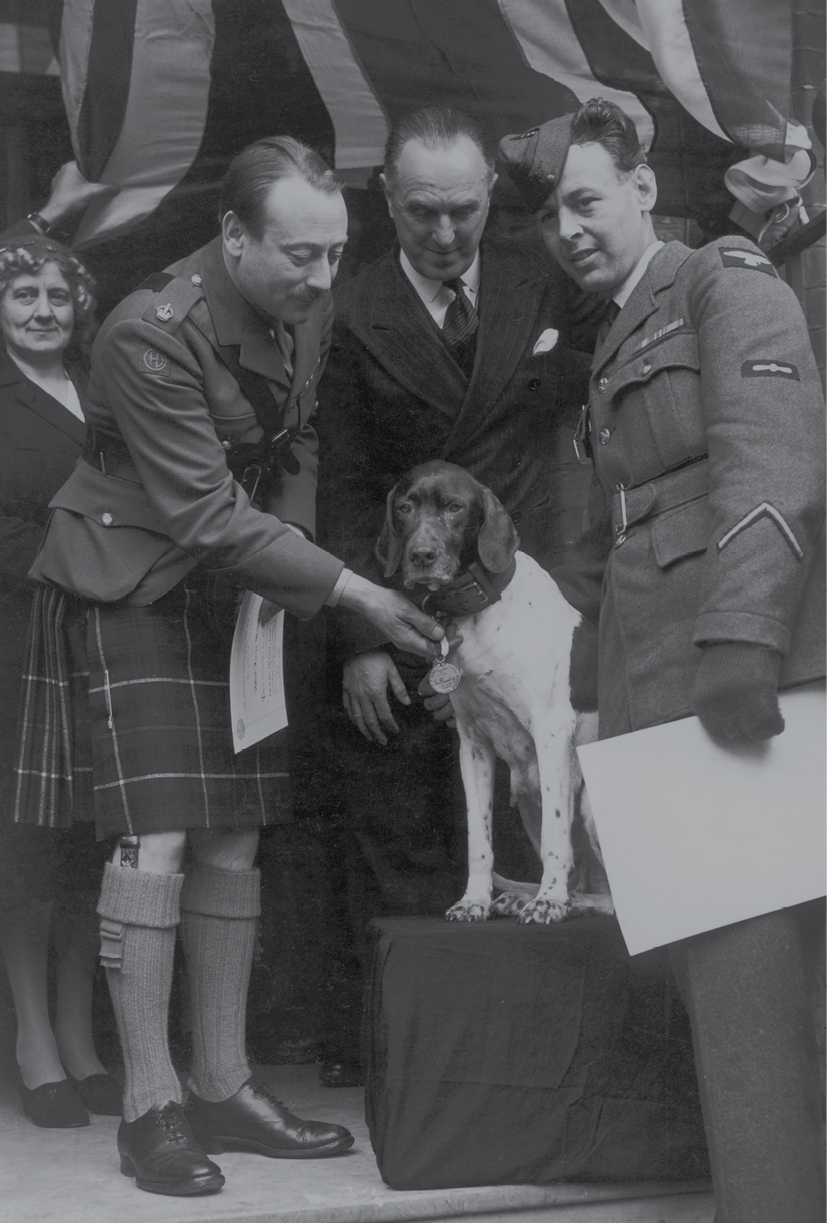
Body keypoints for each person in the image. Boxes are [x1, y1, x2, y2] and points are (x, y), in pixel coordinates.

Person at [14, 135, 443, 1197]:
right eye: (298, 254)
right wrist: (353, 592)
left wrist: (284, 588)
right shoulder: (143, 333)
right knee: (156, 832)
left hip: (239, 588)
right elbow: (203, 510)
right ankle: (150, 1105)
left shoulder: (308, 297)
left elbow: (288, 452)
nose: (320, 276)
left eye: (334, 254)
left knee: (236, 829)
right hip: (134, 586)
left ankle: (221, 1080)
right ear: (232, 234)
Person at [498, 98, 825, 1223]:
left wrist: (742, 635)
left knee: (756, 996)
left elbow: (770, 462)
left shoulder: (721, 278)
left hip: (733, 684)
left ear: (641, 188)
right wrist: (594, 695)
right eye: (549, 216)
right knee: (729, 999)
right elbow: (618, 535)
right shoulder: (615, 332)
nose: (569, 229)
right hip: (663, 697)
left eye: (585, 200)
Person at [314, 106, 603, 1085]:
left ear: (492, 198)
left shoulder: (538, 272)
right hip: (400, 612)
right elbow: (345, 481)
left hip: (517, 602)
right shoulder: (349, 311)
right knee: (401, 830)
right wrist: (354, 633)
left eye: (465, 212)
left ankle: (522, 1075)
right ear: (385, 199)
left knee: (539, 824)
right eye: (421, 213)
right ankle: (415, 1072)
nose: (444, 236)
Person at [0, 233, 121, 1127]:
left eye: (56, 294)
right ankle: (33, 1037)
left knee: (89, 842)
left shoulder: (102, 390)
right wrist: (86, 559)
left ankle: (82, 1035)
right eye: (21, 295)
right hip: (19, 636)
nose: (42, 310)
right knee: (29, 849)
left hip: (106, 636)